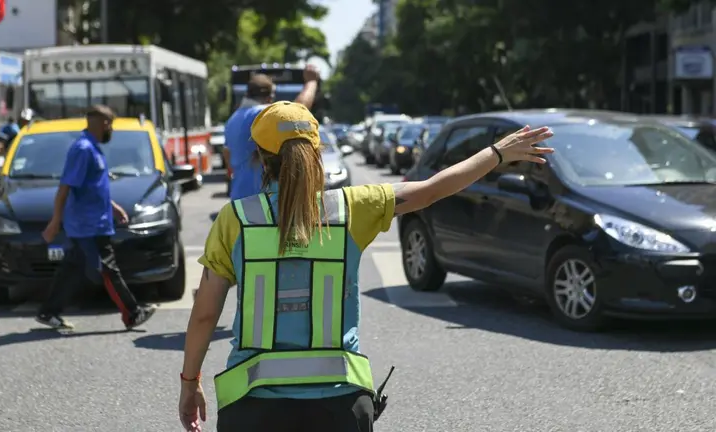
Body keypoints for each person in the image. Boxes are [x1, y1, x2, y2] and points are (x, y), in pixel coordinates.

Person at [177, 101, 554, 431]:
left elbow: (205, 316)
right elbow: (433, 189)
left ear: (259, 155)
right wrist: (497, 153)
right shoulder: (351, 208)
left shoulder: (234, 219)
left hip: (252, 406)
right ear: (316, 152)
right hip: (339, 406)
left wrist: (190, 383)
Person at [36, 104, 156, 330]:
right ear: (104, 124)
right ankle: (132, 313)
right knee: (108, 268)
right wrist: (55, 221)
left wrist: (113, 207)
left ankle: (47, 311)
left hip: (93, 222)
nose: (112, 129)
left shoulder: (91, 148)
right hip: (88, 225)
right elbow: (65, 188)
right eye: (111, 124)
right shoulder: (83, 149)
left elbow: (91, 187)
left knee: (72, 269)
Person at [223, 65, 320, 200]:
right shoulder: (261, 114)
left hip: (238, 198)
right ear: (270, 97)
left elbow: (227, 154)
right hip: (262, 201)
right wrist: (311, 82)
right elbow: (297, 112)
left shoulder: (232, 120)